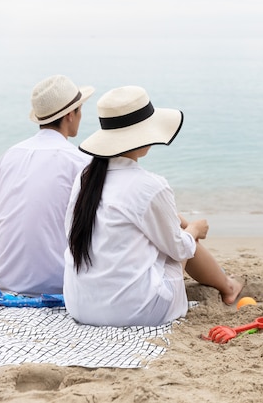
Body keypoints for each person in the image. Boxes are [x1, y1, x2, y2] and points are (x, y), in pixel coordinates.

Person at [64, 85, 243, 327]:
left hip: (80, 305)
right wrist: (194, 230)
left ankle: (227, 283)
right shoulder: (150, 185)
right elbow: (179, 249)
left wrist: (176, 221)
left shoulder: (85, 178)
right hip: (135, 312)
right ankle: (228, 287)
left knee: (164, 233)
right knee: (182, 240)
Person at [0, 75, 94, 295]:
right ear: (70, 114)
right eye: (80, 109)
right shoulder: (80, 162)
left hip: (4, 280)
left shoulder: (9, 156)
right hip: (58, 284)